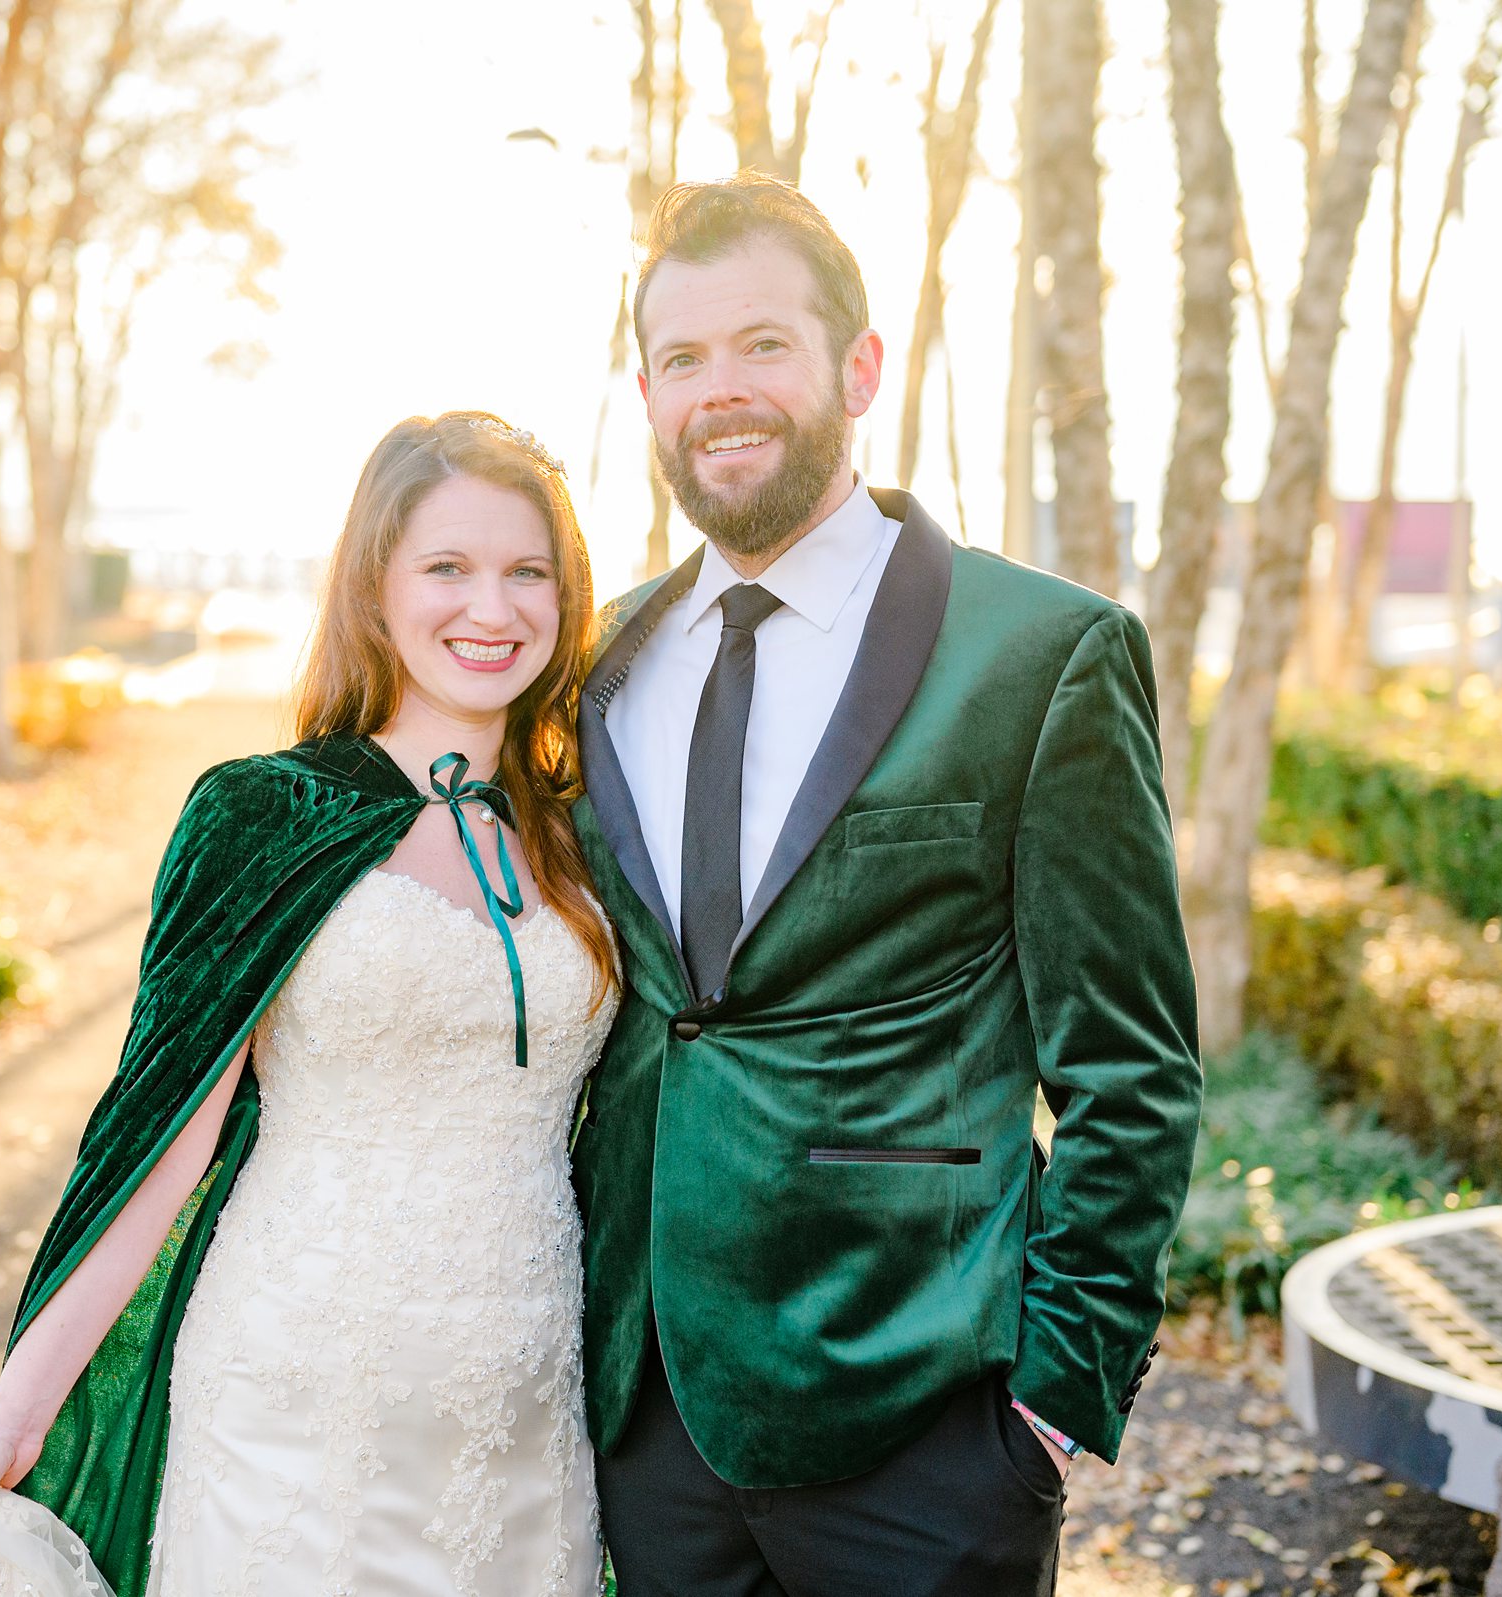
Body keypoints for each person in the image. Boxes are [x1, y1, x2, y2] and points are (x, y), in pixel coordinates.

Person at [0, 411, 621, 1597]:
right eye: (446, 568)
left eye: (526, 572)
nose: (490, 609)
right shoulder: (265, 817)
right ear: (375, 589)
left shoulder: (585, 831)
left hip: (525, 1404)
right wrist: (17, 1412)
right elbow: (162, 1135)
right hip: (295, 1390)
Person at [570, 173, 1204, 1595]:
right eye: (682, 359)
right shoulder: (595, 668)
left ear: (860, 367)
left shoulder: (1040, 656)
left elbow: (1131, 1067)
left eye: (762, 345)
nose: (720, 391)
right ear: (647, 392)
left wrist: (1052, 1400)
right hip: (648, 1427)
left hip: (924, 1429)